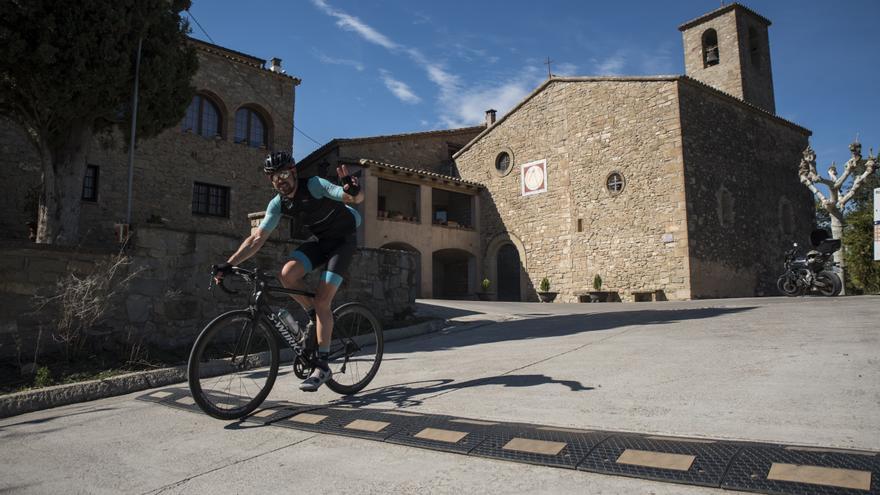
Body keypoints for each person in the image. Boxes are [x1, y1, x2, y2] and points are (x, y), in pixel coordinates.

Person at [214, 151, 363, 391]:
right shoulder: (278, 203)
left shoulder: (314, 185)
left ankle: (323, 367)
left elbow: (345, 195)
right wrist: (229, 264)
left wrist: (353, 190)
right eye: (273, 177)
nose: (279, 180)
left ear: (293, 172)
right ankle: (314, 315)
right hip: (322, 241)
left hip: (342, 242)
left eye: (283, 174)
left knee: (323, 300)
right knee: (286, 274)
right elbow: (257, 238)